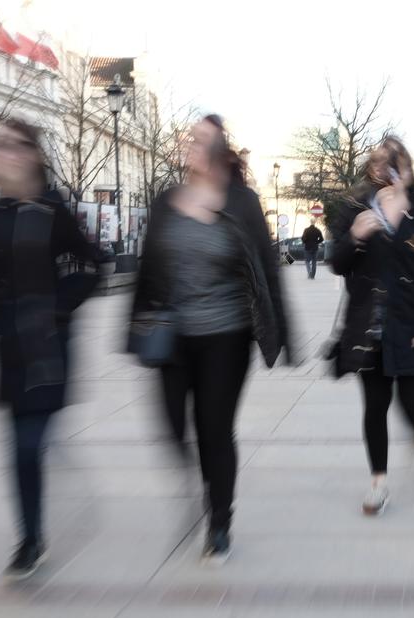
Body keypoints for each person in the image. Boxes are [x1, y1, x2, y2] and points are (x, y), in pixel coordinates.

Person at [132, 114, 292, 562]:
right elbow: (148, 269)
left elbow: (266, 268)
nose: (189, 145)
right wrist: (134, 327)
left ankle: (219, 519)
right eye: (188, 139)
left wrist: (282, 332)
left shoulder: (240, 202)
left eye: (199, 140)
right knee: (170, 425)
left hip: (226, 335)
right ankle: (204, 488)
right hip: (172, 335)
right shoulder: (167, 201)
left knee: (214, 429)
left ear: (218, 151)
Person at [0, 118, 101, 580]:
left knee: (27, 444)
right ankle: (31, 534)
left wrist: (58, 311)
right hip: (9, 348)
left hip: (46, 346)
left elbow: (90, 266)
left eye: (6, 146)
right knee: (19, 447)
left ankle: (29, 539)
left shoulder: (53, 210)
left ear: (30, 155)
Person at [329, 136, 414, 516]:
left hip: (411, 324)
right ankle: (378, 484)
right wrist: (355, 237)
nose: (384, 169)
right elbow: (338, 263)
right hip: (370, 327)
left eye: (392, 162)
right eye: (378, 162)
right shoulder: (356, 210)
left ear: (407, 170)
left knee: (409, 403)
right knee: (375, 406)